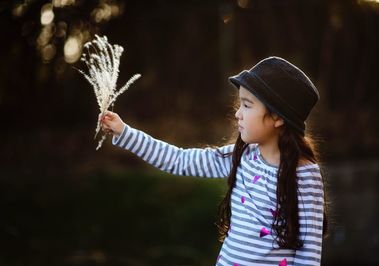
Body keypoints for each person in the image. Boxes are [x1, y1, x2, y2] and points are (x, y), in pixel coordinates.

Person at [100, 56, 328, 266]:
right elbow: (179, 160)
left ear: (277, 117)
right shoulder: (242, 157)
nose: (238, 113)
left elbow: (309, 254)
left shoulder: (304, 175)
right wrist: (125, 132)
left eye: (247, 105)